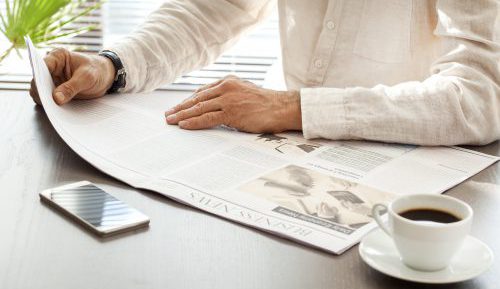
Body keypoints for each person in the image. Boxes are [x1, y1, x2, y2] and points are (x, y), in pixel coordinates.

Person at [30, 0, 500, 146]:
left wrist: (287, 106)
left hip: (408, 175)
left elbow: (480, 96)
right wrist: (112, 66)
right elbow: (211, 10)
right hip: (279, 157)